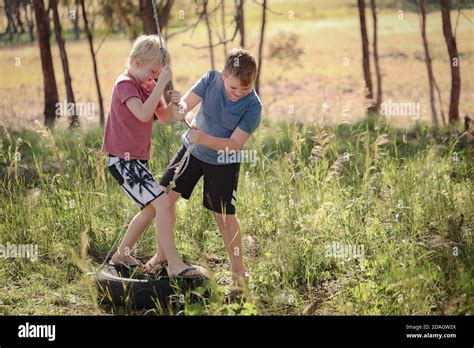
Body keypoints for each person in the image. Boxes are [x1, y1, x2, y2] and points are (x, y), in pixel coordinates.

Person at [146, 48, 262, 286]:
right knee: (164, 199)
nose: (239, 93)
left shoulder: (253, 106)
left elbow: (234, 144)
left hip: (224, 160)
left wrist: (205, 139)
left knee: (224, 216)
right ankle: (162, 255)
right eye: (233, 88)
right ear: (223, 75)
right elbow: (185, 106)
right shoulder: (210, 79)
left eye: (246, 89)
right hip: (191, 151)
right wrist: (179, 108)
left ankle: (239, 273)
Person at [102, 35, 203, 278]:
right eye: (152, 72)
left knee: (151, 209)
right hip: (122, 161)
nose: (155, 77)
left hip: (136, 162)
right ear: (136, 62)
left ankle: (122, 254)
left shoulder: (148, 85)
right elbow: (143, 114)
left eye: (158, 73)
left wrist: (176, 108)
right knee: (163, 203)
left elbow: (163, 116)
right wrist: (161, 84)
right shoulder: (125, 84)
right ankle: (173, 263)